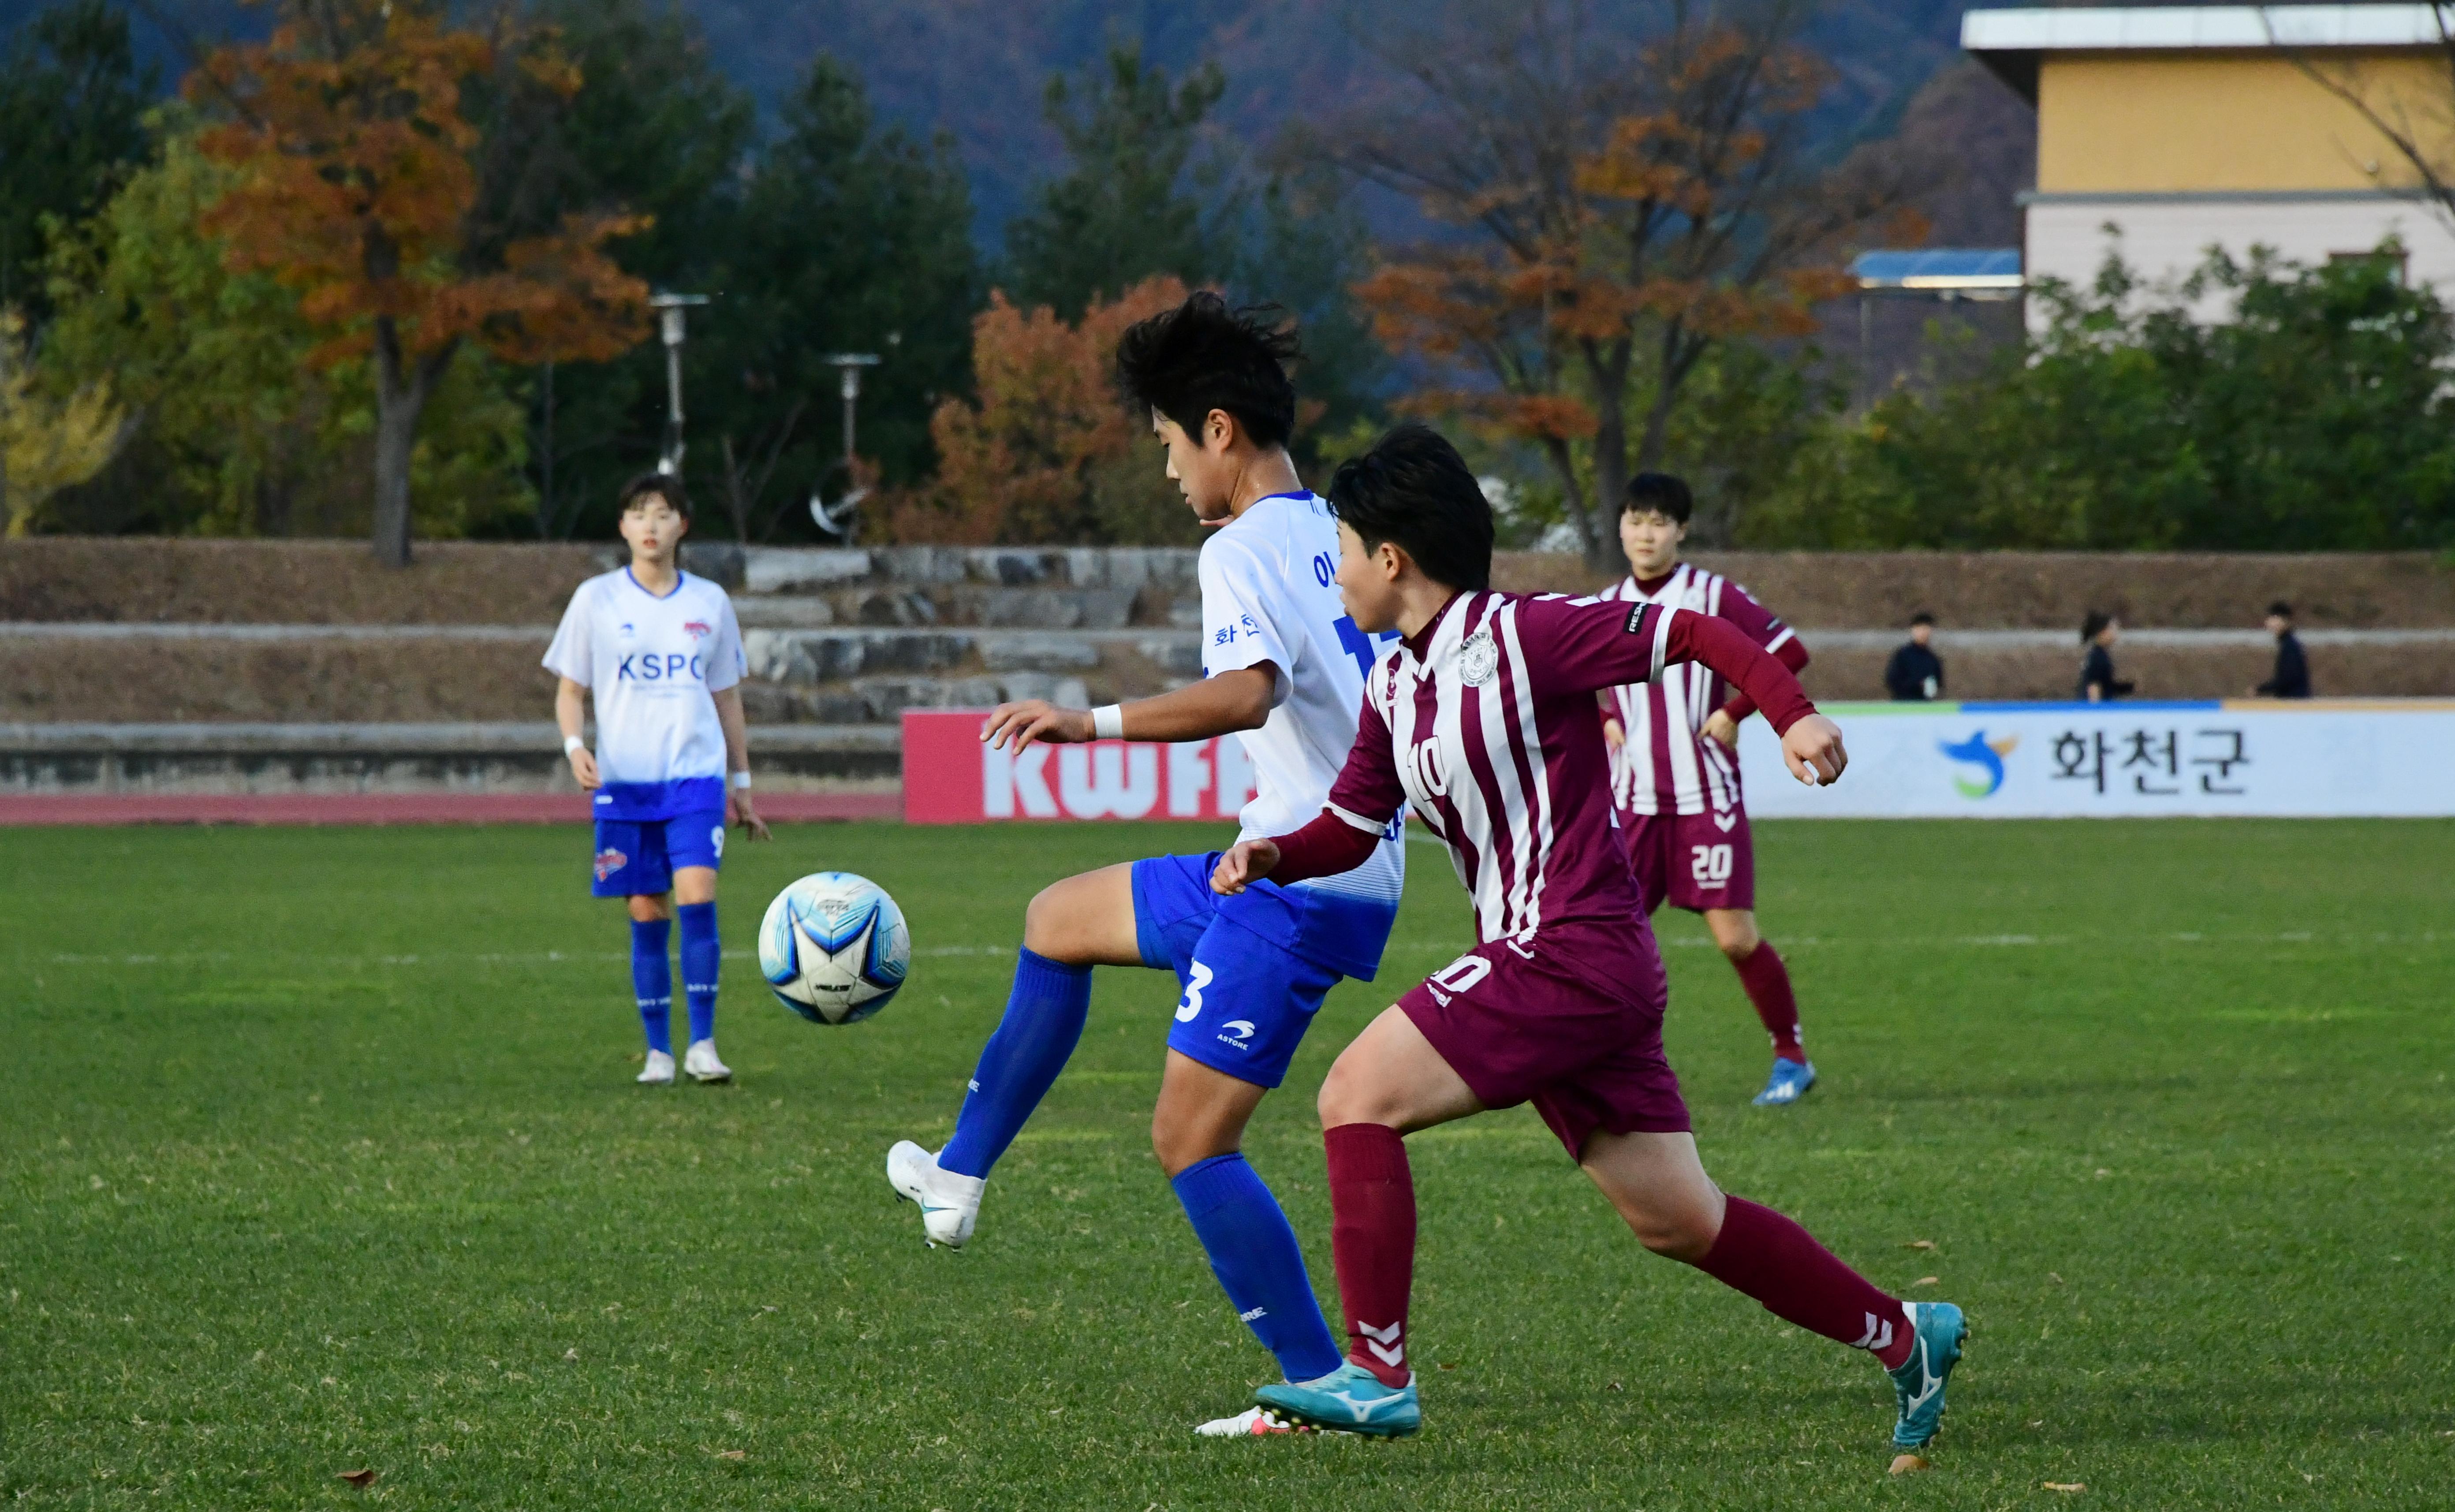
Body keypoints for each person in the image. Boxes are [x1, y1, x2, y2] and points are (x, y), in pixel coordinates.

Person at [1212, 426, 1963, 1451]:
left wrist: (1789, 716)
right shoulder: (1394, 684)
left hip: (1566, 949)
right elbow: (1351, 822)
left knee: (1354, 1094)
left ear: (1392, 558)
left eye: (1342, 548)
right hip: (1572, 974)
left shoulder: (1524, 636)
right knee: (1677, 1220)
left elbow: (1692, 635)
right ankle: (1906, 1335)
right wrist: (1270, 855)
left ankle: (1375, 1371)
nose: (1335, 572)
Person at [883, 294, 1407, 1437]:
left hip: (1297, 880)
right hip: (1300, 858)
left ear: (1218, 431)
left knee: (1189, 1137)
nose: (1169, 470)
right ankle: (961, 1173)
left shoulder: (1244, 546)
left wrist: (1090, 722)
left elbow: (1244, 694)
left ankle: (1320, 1386)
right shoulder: (1344, 531)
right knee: (1057, 917)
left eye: (1169, 444)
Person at [1596, 472, 1818, 1108]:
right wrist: (1607, 717)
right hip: (1634, 802)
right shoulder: (1608, 601)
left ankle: (1791, 1058)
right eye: (1636, 520)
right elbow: (1579, 682)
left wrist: (1735, 711)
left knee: (1735, 937)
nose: (1647, 533)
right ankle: (1606, 1067)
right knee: (1609, 938)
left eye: (1660, 522)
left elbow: (1789, 651)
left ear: (1682, 531)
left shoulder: (1712, 595)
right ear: (1621, 526)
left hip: (1704, 798)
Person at [545, 473, 768, 1086]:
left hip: (695, 780)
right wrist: (574, 746)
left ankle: (703, 1044)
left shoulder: (709, 602)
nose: (651, 525)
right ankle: (658, 1052)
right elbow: (570, 690)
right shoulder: (596, 600)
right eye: (639, 514)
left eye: (664, 514)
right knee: (646, 906)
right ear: (622, 527)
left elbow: (727, 700)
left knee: (698, 893)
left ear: (683, 526)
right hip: (626, 784)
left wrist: (741, 782)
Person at [2254, 601, 2311, 698]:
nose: (2268, 623)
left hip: (2294, 703)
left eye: (2273, 618)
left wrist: (2261, 689)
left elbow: (2288, 678)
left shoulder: (2291, 647)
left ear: (2284, 621)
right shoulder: (2288, 644)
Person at [1885, 612, 1945, 701]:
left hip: (1925, 706)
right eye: (1920, 629)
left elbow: (1938, 681)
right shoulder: (1902, 655)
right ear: (1913, 630)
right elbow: (1892, 680)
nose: (1924, 633)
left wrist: (1931, 687)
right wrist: (1916, 685)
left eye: (1926, 629)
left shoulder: (1932, 658)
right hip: (1903, 705)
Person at [2078, 611, 2132, 703]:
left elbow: (2105, 685)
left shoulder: (2099, 654)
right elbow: (2094, 687)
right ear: (2102, 632)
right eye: (2113, 629)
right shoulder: (2098, 657)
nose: (2116, 633)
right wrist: (2096, 712)